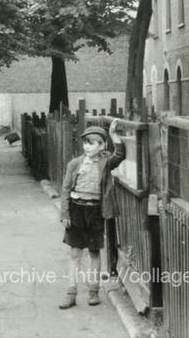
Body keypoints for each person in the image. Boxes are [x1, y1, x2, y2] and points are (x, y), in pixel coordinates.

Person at [58, 119, 125, 309]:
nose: (87, 147)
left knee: (95, 252)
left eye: (92, 143)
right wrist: (65, 213)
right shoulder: (74, 164)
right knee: (75, 252)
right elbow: (65, 189)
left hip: (95, 211)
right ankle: (71, 293)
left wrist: (113, 135)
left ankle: (93, 292)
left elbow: (120, 155)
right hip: (76, 210)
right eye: (85, 143)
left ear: (102, 145)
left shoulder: (106, 163)